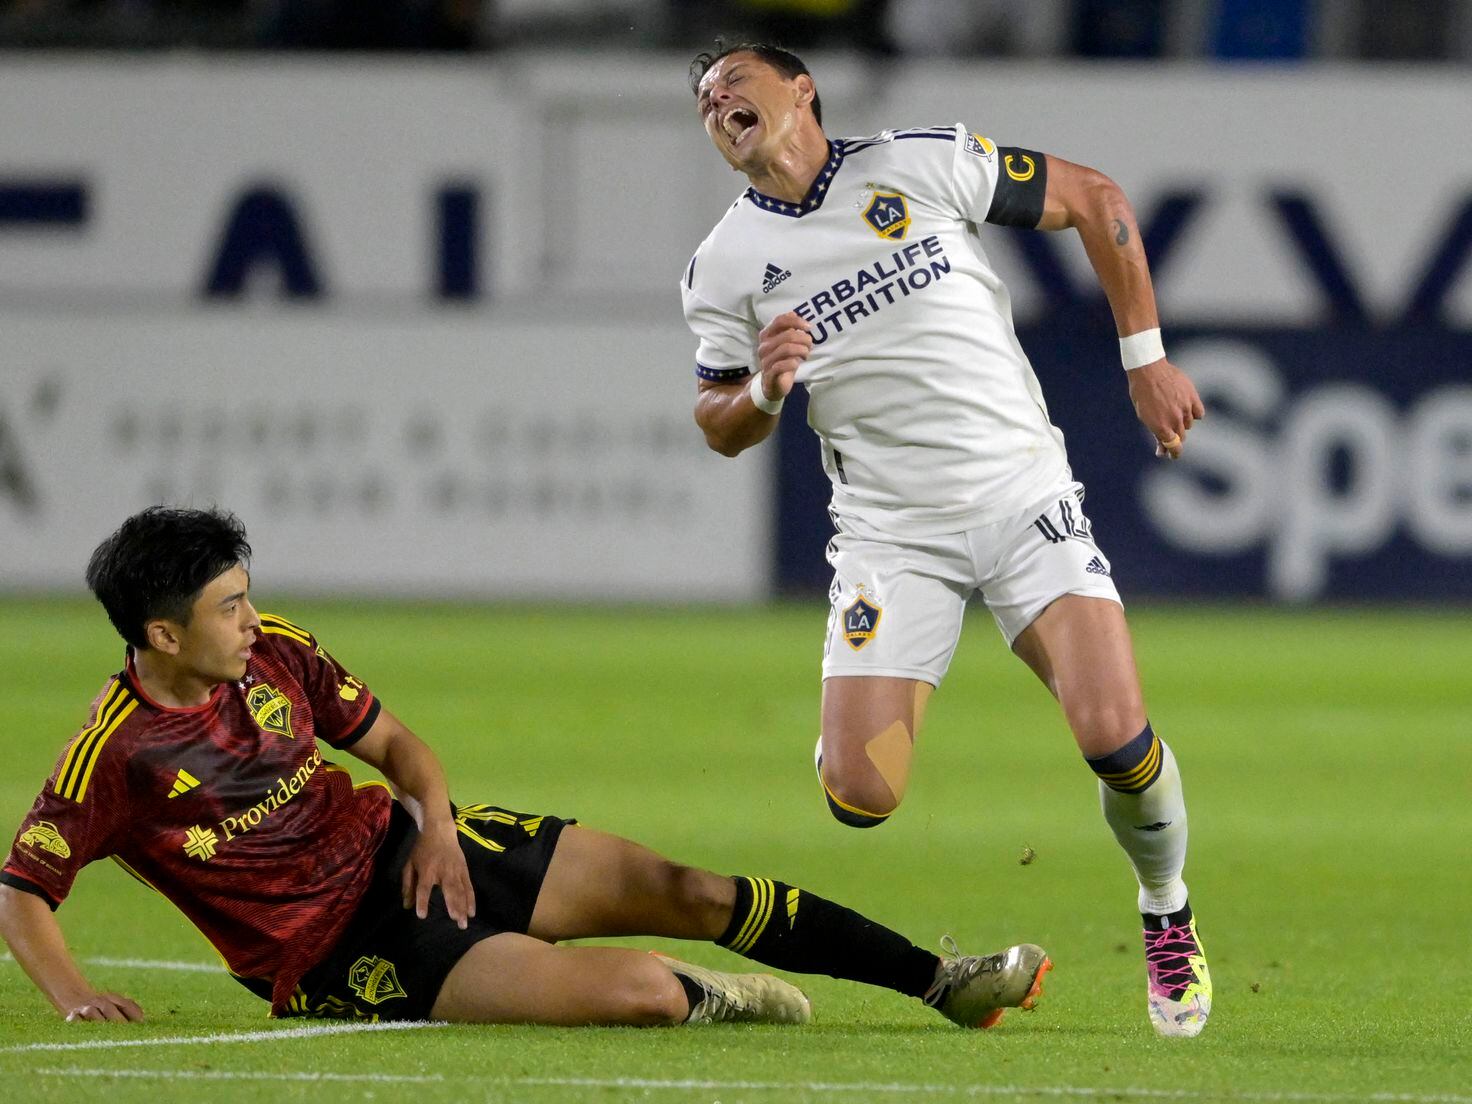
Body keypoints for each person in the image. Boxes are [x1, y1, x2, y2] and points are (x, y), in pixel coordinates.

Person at [0, 506, 1051, 1029]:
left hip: (411, 848)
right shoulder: (112, 757)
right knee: (640, 995)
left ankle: (939, 981)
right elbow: (23, 892)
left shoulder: (273, 650)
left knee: (686, 887)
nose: (247, 616)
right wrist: (73, 995)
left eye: (243, 595)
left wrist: (440, 824)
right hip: (336, 954)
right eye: (225, 608)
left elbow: (397, 747)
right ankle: (710, 996)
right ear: (162, 635)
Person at [682, 42, 1211, 1037]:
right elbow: (716, 422)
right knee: (859, 795)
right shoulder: (722, 267)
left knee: (1115, 741)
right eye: (702, 99)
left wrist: (1143, 359)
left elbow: (1093, 197)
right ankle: (871, 681)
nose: (715, 101)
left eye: (733, 83)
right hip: (891, 535)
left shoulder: (914, 164)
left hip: (1020, 497)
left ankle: (1164, 907)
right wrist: (758, 391)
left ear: (801, 90)